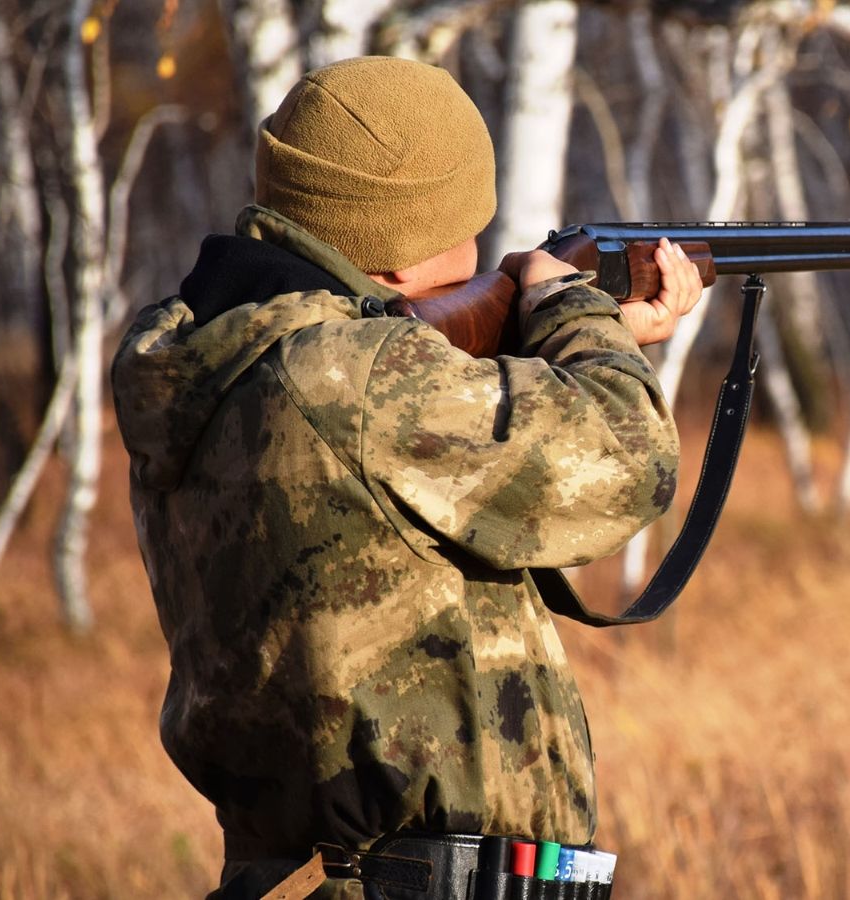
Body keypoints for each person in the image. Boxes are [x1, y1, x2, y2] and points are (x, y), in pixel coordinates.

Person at [111, 56, 702, 899]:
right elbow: (627, 460)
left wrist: (545, 346)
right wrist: (574, 314)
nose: (480, 255)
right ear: (395, 254)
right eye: (466, 235)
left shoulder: (214, 361)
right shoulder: (351, 377)